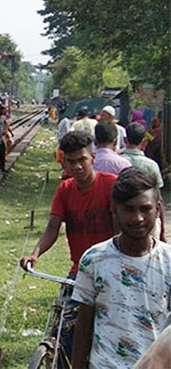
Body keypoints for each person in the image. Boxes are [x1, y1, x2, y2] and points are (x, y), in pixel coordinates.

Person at [20, 131, 118, 361]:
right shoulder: (65, 190)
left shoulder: (111, 186)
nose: (77, 167)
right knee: (64, 328)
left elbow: (119, 231)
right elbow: (53, 227)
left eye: (82, 160)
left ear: (93, 157)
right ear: (64, 162)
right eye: (71, 161)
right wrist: (35, 254)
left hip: (111, 268)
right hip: (81, 270)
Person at [71, 168, 171, 369]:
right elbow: (84, 326)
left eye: (145, 209)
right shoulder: (94, 259)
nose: (138, 218)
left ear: (157, 209)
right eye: (128, 209)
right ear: (114, 209)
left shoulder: (168, 260)